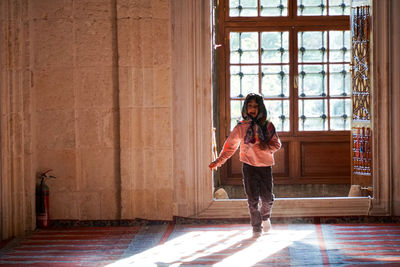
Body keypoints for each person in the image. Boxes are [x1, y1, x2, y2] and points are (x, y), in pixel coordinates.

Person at [209, 93, 281, 238]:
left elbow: (276, 144)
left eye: (255, 106)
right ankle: (256, 228)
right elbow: (230, 147)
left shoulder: (267, 125)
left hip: (265, 167)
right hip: (249, 167)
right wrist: (219, 161)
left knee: (267, 198)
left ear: (260, 107)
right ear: (245, 108)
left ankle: (265, 217)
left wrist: (265, 147)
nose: (252, 109)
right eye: (249, 106)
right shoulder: (241, 127)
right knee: (252, 199)